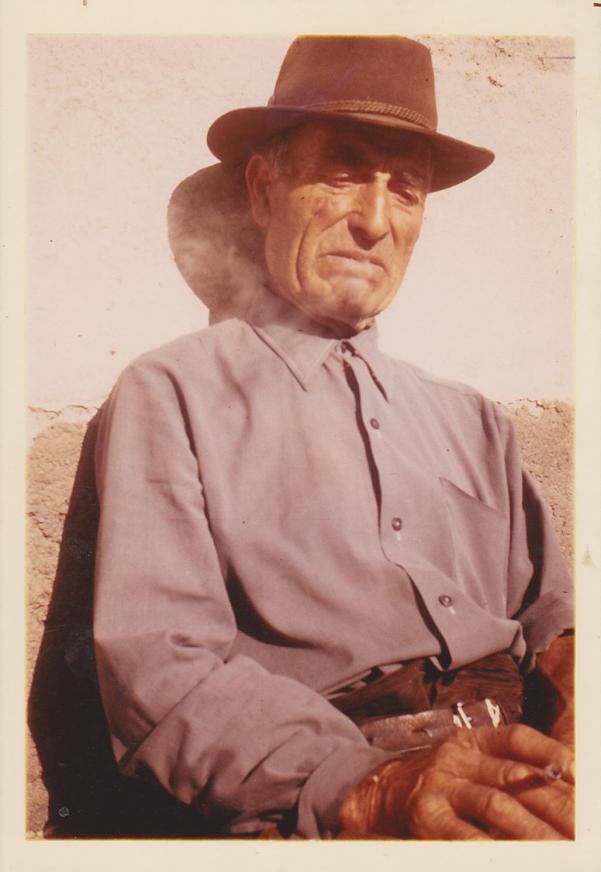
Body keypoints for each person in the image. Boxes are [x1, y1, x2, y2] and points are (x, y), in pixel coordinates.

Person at [93, 35, 574, 840]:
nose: (374, 222)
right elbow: (160, 671)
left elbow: (551, 618)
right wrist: (373, 788)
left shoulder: (474, 418)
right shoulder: (174, 390)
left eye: (406, 190)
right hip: (353, 784)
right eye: (343, 174)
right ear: (262, 189)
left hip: (520, 756)